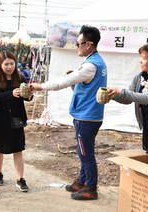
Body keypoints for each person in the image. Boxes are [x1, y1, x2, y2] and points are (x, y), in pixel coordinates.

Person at [30, 25, 107, 200]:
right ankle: (81, 180)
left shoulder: (91, 65)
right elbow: (84, 86)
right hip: (88, 114)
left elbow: (63, 82)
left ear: (89, 44)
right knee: (83, 150)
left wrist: (39, 86)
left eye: (79, 43)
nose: (76, 47)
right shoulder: (96, 61)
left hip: (87, 116)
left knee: (86, 153)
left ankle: (91, 187)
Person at [0, 50, 32, 192]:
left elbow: (26, 97)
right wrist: (11, 94)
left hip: (16, 118)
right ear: (0, 65)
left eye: (12, 63)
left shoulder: (21, 77)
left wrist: (29, 95)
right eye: (6, 64)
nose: (9, 66)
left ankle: (20, 179)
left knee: (18, 149)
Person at [108, 42, 148, 154]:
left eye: (144, 58)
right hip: (147, 125)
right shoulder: (139, 78)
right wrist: (113, 95)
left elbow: (147, 98)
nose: (140, 61)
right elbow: (128, 99)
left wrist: (121, 91)